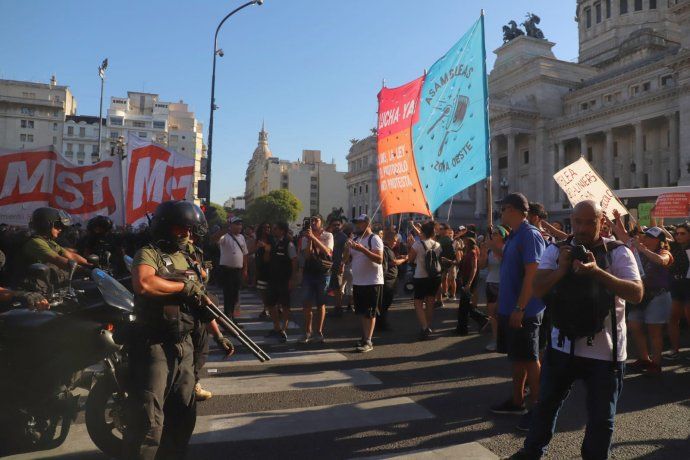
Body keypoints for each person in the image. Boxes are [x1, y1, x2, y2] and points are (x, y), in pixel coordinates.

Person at [511, 200, 643, 460]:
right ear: (571, 221)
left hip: (605, 354)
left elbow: (637, 293)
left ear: (601, 222)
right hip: (562, 346)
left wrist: (597, 272)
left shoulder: (618, 252)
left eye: (589, 222)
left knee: (600, 418)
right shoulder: (556, 249)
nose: (582, 228)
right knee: (546, 405)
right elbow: (538, 289)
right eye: (577, 222)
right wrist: (561, 268)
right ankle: (532, 452)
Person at [124, 200, 209, 459]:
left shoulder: (190, 255)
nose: (187, 235)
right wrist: (182, 287)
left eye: (191, 231)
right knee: (148, 420)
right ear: (165, 227)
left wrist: (216, 331)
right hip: (155, 343)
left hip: (185, 342)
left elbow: (202, 298)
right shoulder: (148, 253)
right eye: (181, 229)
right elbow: (144, 283)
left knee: (184, 413)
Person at [490, 193, 545, 431]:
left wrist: (520, 307)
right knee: (518, 358)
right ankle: (517, 401)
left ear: (511, 209)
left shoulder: (530, 234)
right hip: (510, 309)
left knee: (530, 359)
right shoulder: (514, 235)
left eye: (502, 209)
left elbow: (533, 273)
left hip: (525, 310)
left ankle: (540, 410)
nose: (500, 214)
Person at [627, 227, 674, 375]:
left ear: (657, 240)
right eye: (644, 236)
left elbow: (661, 261)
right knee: (634, 327)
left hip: (657, 296)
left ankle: (656, 364)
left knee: (655, 332)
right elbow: (622, 236)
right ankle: (644, 358)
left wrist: (643, 249)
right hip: (640, 296)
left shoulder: (665, 252)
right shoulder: (639, 251)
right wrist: (612, 220)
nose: (644, 238)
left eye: (648, 236)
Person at [342, 215, 384, 352]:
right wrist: (347, 249)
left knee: (370, 312)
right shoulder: (355, 239)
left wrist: (362, 250)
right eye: (356, 223)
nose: (357, 226)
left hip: (372, 281)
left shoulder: (374, 239)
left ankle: (368, 340)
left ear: (367, 224)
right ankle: (364, 337)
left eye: (360, 223)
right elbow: (346, 260)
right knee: (361, 311)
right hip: (358, 281)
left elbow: (379, 259)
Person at [299, 215, 333, 344]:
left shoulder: (328, 235)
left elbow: (327, 251)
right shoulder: (304, 237)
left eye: (316, 220)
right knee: (306, 303)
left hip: (323, 273)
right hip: (309, 272)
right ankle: (308, 331)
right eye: (311, 221)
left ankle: (319, 331)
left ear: (321, 223)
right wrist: (309, 240)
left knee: (321, 303)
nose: (313, 223)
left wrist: (314, 238)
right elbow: (307, 256)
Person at [23, 207, 91, 271]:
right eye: (57, 226)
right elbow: (57, 259)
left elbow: (70, 255)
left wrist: (90, 265)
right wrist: (83, 270)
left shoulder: (49, 241)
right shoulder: (35, 242)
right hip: (29, 282)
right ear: (45, 225)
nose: (60, 229)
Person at [407, 220, 442, 341]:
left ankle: (424, 326)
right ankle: (427, 325)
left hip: (421, 276)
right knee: (430, 302)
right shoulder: (437, 245)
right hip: (434, 276)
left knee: (418, 302)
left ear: (422, 232)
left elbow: (410, 260)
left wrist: (409, 246)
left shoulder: (417, 244)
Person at [211, 216, 248, 323]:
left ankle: (232, 316)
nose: (239, 226)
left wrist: (245, 269)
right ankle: (228, 317)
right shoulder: (225, 237)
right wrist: (225, 229)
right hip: (227, 271)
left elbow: (245, 254)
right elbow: (214, 238)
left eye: (240, 224)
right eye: (236, 224)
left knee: (235, 294)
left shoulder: (241, 237)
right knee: (228, 294)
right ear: (231, 226)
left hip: (238, 271)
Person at [266, 221, 298, 342]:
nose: (273, 230)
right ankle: (276, 327)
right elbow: (268, 259)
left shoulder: (288, 244)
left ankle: (284, 329)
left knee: (285, 305)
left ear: (282, 231)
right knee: (270, 304)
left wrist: (292, 278)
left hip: (284, 279)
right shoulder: (272, 242)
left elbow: (294, 261)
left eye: (276, 228)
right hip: (273, 278)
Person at [479, 225, 509, 351]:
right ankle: (496, 340)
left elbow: (506, 261)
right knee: (493, 315)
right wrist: (484, 253)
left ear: (503, 235)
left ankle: (507, 339)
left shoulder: (507, 248)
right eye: (493, 233)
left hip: (505, 284)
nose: (494, 235)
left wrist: (492, 247)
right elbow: (481, 266)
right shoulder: (489, 249)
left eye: (497, 233)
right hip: (491, 283)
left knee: (505, 314)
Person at [456, 237, 488, 335]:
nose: (463, 244)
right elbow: (461, 265)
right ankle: (462, 328)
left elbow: (474, 268)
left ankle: (481, 319)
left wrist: (469, 283)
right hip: (465, 280)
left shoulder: (473, 253)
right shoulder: (467, 253)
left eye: (465, 242)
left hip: (469, 281)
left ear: (469, 243)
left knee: (464, 306)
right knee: (463, 306)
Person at [668, 222, 690, 359]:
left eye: (683, 233)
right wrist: (656, 216)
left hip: (689, 284)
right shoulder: (673, 246)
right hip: (676, 284)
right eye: (677, 233)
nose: (678, 236)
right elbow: (659, 230)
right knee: (673, 318)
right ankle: (675, 350)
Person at [378, 229, 407, 331]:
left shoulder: (388, 249)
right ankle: (382, 324)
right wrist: (404, 259)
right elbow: (393, 262)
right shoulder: (386, 248)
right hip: (388, 280)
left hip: (389, 279)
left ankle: (381, 322)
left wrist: (400, 257)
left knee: (385, 303)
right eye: (394, 240)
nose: (396, 242)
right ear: (389, 239)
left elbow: (391, 260)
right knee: (385, 303)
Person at [329, 219, 348, 317]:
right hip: (332, 265)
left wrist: (343, 264)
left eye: (338, 225)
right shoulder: (332, 235)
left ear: (341, 226)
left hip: (339, 265)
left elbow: (347, 252)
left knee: (338, 287)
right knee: (335, 287)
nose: (336, 226)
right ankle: (337, 306)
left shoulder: (343, 237)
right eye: (334, 225)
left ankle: (339, 308)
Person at [254, 222, 272, 319]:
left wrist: (264, 246)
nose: (267, 229)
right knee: (262, 290)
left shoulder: (272, 239)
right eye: (264, 227)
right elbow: (253, 251)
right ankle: (266, 308)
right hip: (261, 268)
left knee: (270, 290)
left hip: (271, 268)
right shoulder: (258, 240)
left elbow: (270, 250)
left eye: (268, 227)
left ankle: (269, 308)